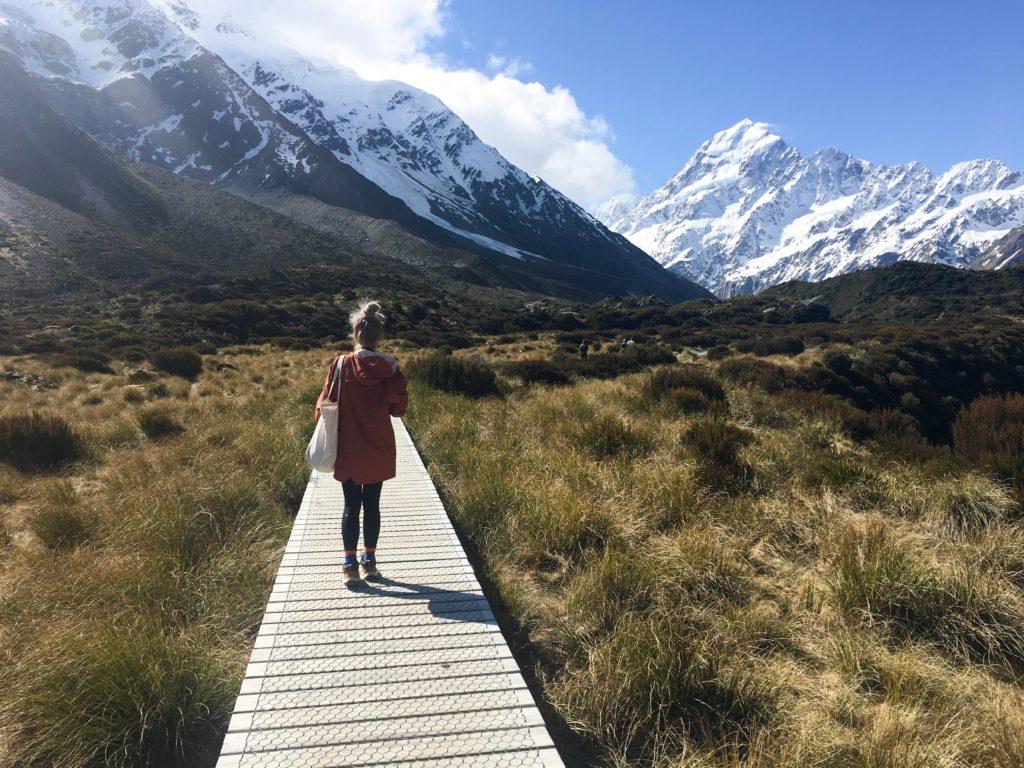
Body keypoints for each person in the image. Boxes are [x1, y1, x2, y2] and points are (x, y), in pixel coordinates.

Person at [315, 301, 408, 588]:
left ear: (355, 334)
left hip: (349, 447)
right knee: (373, 505)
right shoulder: (391, 369)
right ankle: (371, 562)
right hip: (378, 446)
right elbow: (399, 410)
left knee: (350, 506)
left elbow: (323, 406)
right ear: (379, 336)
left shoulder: (341, 364)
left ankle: (349, 565)